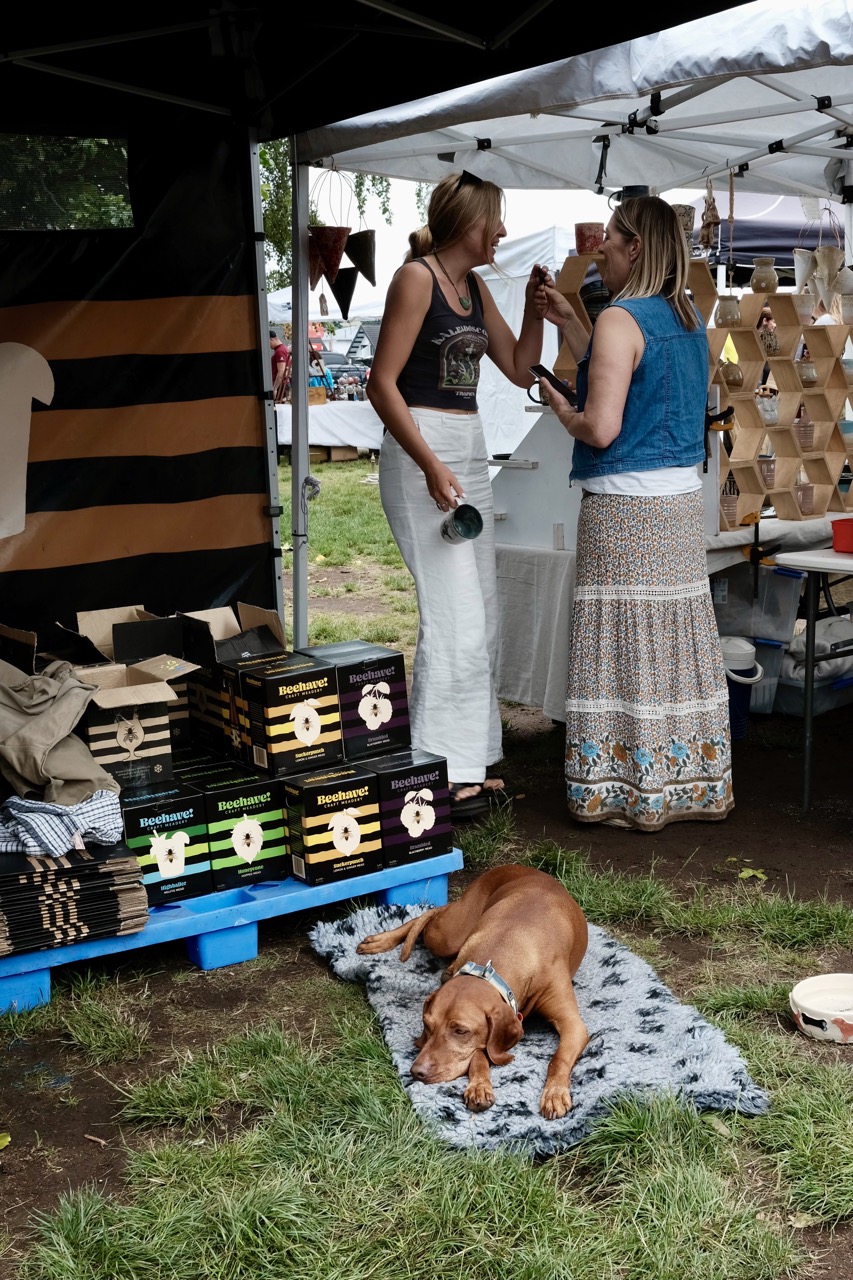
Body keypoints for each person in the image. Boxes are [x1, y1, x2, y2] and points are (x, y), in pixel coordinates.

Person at [535, 196, 733, 830]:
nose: (601, 252)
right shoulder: (686, 314)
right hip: (677, 507)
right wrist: (573, 324)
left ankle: (624, 791)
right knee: (670, 647)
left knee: (623, 649)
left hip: (624, 512)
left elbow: (601, 426)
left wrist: (560, 409)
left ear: (636, 248)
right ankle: (685, 784)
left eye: (611, 241)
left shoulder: (622, 317)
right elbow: (633, 377)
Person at [366, 170, 547, 819]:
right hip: (422, 446)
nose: (503, 230)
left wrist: (534, 309)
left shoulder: (473, 287)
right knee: (455, 617)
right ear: (469, 222)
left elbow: (520, 369)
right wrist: (430, 464)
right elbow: (380, 383)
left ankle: (469, 760)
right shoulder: (416, 279)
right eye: (495, 219)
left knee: (484, 613)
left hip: (466, 444)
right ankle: (438, 769)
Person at [269, 330, 291, 403]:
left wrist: (275, 388)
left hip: (281, 386)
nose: (268, 345)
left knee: (279, 407)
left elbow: (281, 372)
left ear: (271, 339)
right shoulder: (282, 348)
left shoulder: (280, 351)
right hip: (283, 385)